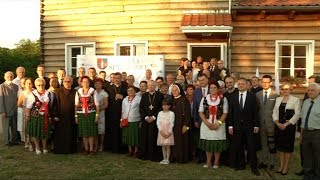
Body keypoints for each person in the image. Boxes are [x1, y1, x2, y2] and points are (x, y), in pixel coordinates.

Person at [228, 78, 260, 176]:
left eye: (242, 84)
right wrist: (230, 125)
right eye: (239, 84)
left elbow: (255, 112)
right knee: (239, 146)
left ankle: (254, 167)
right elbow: (231, 112)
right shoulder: (233, 96)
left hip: (249, 126)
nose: (240, 85)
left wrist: (256, 125)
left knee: (251, 146)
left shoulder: (252, 96)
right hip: (237, 126)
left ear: (247, 85)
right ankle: (241, 165)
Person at [272, 82, 300, 175]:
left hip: (289, 127)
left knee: (287, 148)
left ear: (290, 90)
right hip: (279, 125)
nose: (285, 90)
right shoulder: (278, 99)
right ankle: (281, 166)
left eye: (287, 89)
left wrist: (286, 124)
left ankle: (286, 167)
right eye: (283, 89)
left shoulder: (296, 100)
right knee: (280, 147)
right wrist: (277, 122)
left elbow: (297, 114)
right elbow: (274, 112)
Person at [198, 81, 228, 169]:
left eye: (215, 87)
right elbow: (200, 112)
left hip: (219, 124)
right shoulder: (204, 99)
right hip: (206, 124)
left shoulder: (223, 99)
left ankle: (216, 161)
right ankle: (208, 161)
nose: (213, 89)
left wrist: (218, 124)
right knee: (208, 143)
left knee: (217, 143)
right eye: (211, 88)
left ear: (218, 89)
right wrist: (207, 123)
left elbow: (225, 113)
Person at [256, 75, 279, 170]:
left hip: (272, 123)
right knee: (263, 143)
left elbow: (277, 110)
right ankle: (264, 161)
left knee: (272, 143)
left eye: (267, 82)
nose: (264, 84)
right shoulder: (257, 94)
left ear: (271, 83)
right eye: (263, 82)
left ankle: (272, 162)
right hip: (261, 123)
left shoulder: (276, 95)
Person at [25, 78, 53, 154]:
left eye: (42, 85)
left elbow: (51, 106)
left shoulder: (49, 94)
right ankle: (37, 148)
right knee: (35, 132)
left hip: (46, 117)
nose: (41, 86)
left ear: (45, 85)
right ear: (36, 86)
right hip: (35, 117)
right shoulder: (32, 95)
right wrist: (28, 117)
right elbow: (28, 107)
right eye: (38, 85)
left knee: (45, 133)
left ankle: (44, 148)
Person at [52, 76, 78, 154]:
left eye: (69, 81)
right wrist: (55, 115)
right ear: (63, 82)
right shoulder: (58, 91)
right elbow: (54, 104)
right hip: (61, 117)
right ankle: (60, 150)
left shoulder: (75, 92)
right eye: (65, 81)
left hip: (71, 117)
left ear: (72, 82)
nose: (67, 83)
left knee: (71, 133)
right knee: (60, 134)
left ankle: (71, 150)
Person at [139, 80, 163, 161]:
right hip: (146, 121)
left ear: (155, 85)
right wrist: (145, 117)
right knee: (145, 137)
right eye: (149, 85)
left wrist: (153, 117)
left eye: (152, 85)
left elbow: (161, 108)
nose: (150, 87)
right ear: (147, 86)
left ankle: (154, 156)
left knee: (154, 138)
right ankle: (144, 155)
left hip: (155, 121)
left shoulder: (160, 95)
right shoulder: (144, 95)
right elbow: (141, 108)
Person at [75, 76, 100, 155]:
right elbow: (76, 105)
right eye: (84, 82)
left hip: (91, 113)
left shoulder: (93, 91)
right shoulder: (78, 92)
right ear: (81, 83)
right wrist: (76, 116)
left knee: (91, 133)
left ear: (89, 83)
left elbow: (97, 105)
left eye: (87, 82)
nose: (85, 83)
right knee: (84, 133)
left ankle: (91, 149)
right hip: (81, 114)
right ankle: (86, 149)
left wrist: (97, 116)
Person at [300, 83, 320, 180]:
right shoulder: (306, 102)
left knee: (317, 155)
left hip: (317, 133)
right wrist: (301, 133)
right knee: (306, 155)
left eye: (312, 90)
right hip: (306, 132)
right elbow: (303, 118)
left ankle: (317, 175)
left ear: (318, 91)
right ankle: (308, 175)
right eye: (308, 90)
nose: (310, 92)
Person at [105, 72, 127, 153]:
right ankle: (112, 148)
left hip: (122, 112)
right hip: (111, 112)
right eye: (115, 78)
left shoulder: (125, 87)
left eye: (118, 78)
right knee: (112, 129)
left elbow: (130, 98)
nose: (116, 80)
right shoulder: (108, 87)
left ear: (121, 78)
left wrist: (123, 97)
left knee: (121, 130)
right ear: (113, 79)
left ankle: (122, 148)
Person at [171, 84, 191, 163]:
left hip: (182, 125)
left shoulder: (184, 100)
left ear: (179, 91)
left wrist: (186, 125)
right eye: (173, 90)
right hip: (173, 125)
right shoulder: (171, 100)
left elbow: (188, 114)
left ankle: (182, 158)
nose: (174, 92)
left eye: (176, 90)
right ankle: (174, 157)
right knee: (174, 142)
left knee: (182, 142)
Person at [193, 73, 209, 163]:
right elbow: (195, 107)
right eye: (200, 80)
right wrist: (195, 119)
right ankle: (201, 157)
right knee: (201, 138)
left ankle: (209, 157)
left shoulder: (213, 89)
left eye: (203, 80)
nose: (201, 82)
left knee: (209, 138)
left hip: (211, 119)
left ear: (207, 79)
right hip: (199, 120)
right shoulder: (197, 91)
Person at [0, 71, 19, 146]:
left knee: (14, 127)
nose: (10, 77)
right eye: (8, 76)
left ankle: (14, 140)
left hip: (14, 110)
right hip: (6, 111)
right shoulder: (1, 86)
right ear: (5, 77)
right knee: (6, 127)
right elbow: (1, 100)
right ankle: (6, 141)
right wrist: (2, 111)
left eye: (11, 76)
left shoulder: (15, 86)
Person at [121, 86, 141, 157]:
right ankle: (130, 151)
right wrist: (121, 120)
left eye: (132, 90)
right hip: (126, 120)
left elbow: (141, 110)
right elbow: (123, 110)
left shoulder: (138, 99)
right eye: (129, 91)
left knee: (135, 136)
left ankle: (135, 151)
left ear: (135, 91)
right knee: (128, 136)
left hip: (135, 120)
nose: (130, 92)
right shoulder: (125, 99)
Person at [17, 78, 34, 150]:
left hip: (34, 112)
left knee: (32, 128)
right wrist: (25, 109)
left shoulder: (35, 92)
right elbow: (19, 104)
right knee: (27, 128)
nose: (29, 85)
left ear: (32, 84)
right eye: (27, 83)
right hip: (25, 112)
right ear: (25, 84)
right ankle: (28, 142)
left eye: (30, 83)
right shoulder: (23, 93)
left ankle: (31, 142)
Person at [157, 99, 175, 165]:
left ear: (169, 106)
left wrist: (169, 132)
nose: (165, 107)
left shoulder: (171, 113)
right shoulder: (160, 113)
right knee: (163, 146)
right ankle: (164, 158)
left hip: (168, 131)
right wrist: (161, 131)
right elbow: (158, 122)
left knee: (167, 146)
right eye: (163, 105)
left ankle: (167, 159)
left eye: (166, 105)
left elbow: (172, 123)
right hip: (162, 131)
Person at [94, 78, 109, 152]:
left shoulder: (104, 93)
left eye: (99, 83)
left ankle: (101, 145)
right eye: (96, 83)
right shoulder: (92, 92)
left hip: (101, 114)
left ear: (102, 85)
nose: (97, 85)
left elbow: (106, 105)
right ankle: (96, 146)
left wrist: (98, 109)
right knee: (95, 131)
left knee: (101, 131)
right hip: (93, 114)